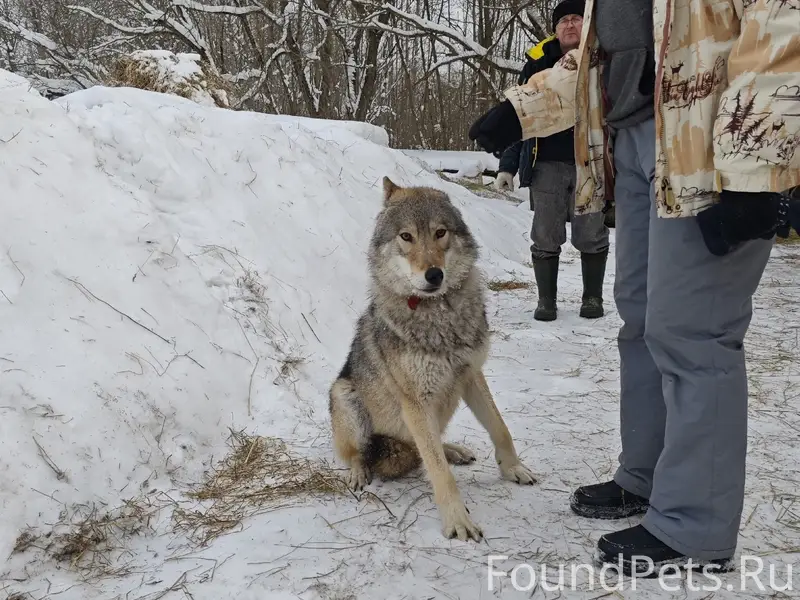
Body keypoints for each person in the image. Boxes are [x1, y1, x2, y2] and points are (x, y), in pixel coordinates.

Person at [469, 0, 799, 576]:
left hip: (708, 143)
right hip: (631, 137)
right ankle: (646, 476)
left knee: (696, 333)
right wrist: (520, 111)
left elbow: (782, 30)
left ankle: (695, 524)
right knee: (642, 321)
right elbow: (604, 56)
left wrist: (755, 168)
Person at [494, 0, 609, 322]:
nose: (570, 25)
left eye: (577, 19)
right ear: (555, 29)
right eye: (564, 21)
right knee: (545, 235)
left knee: (591, 234)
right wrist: (508, 165)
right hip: (545, 163)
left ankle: (592, 298)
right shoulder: (537, 63)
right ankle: (547, 301)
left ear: (586, 25)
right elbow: (520, 114)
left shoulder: (602, 57)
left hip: (591, 161)